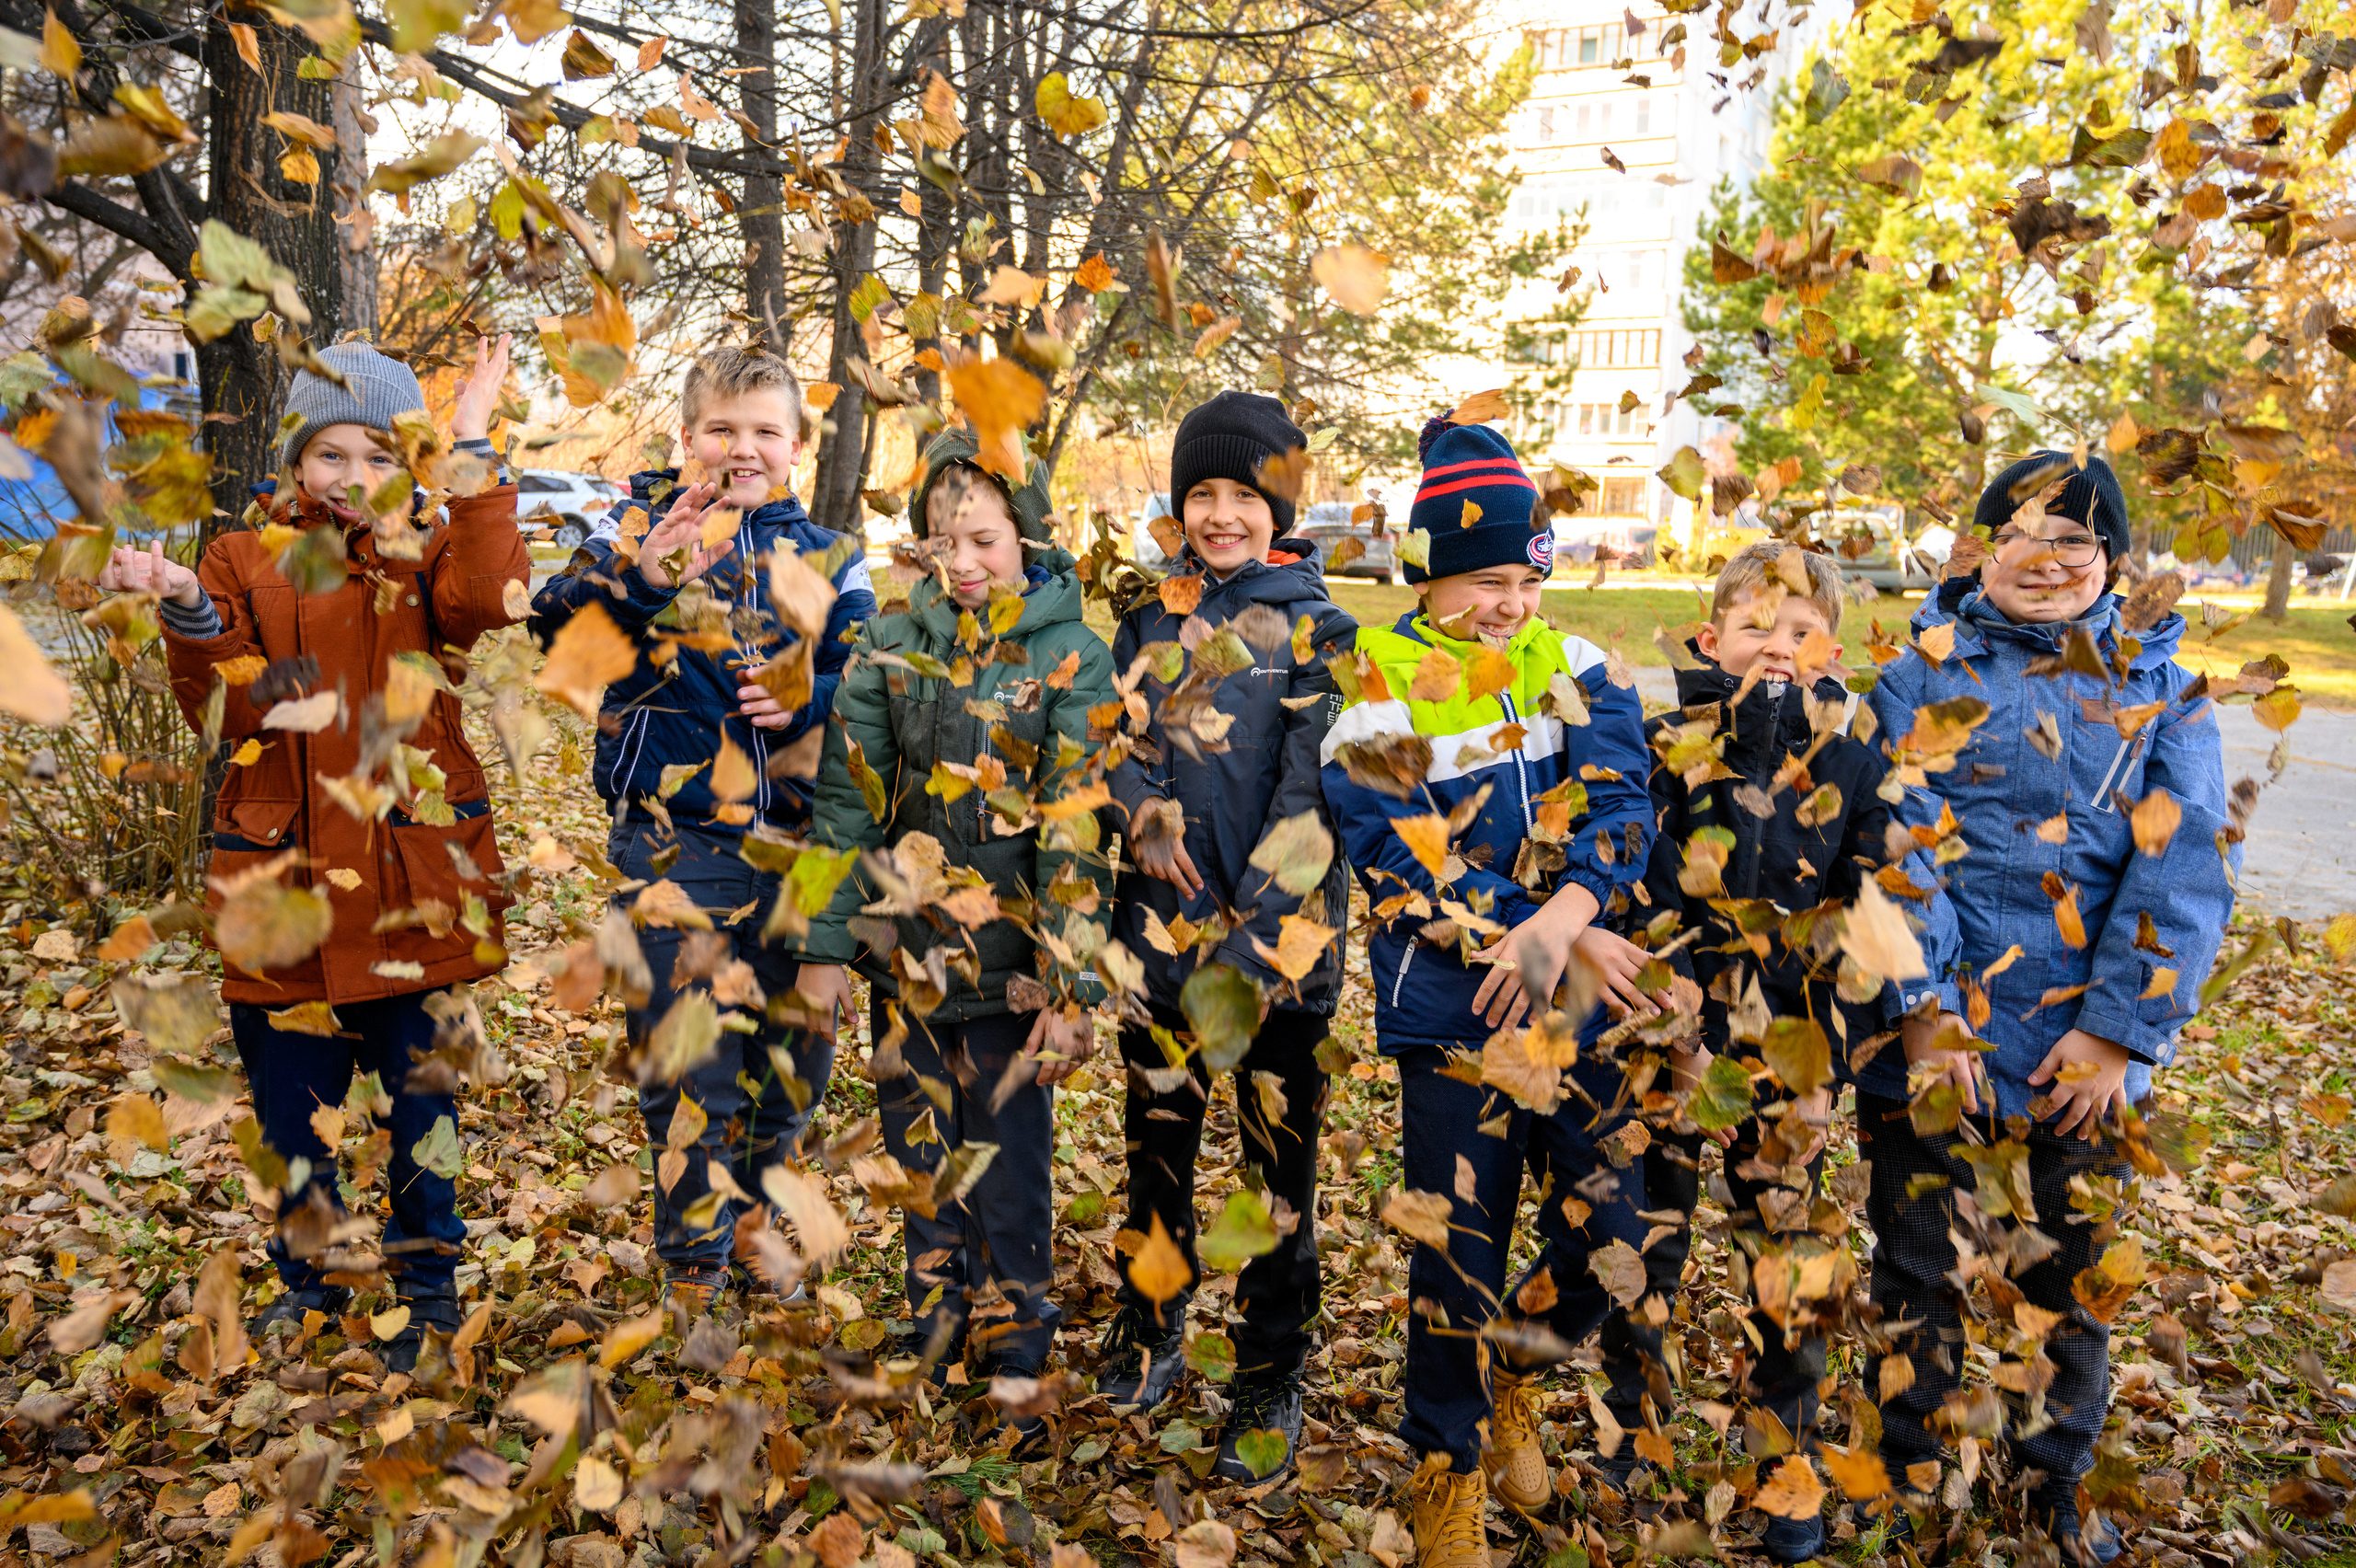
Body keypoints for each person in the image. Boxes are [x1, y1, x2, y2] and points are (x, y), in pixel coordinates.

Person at [103, 336, 525, 1373]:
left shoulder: (426, 551)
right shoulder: (242, 558)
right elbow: (226, 698)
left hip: (410, 889)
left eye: (379, 456)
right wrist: (188, 611)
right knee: (294, 1118)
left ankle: (429, 1285)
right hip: (278, 888)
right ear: (296, 462)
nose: (354, 478)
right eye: (331, 455)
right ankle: (312, 1282)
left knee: (422, 1106)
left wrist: (469, 449)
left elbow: (490, 598)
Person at [1863, 452, 2236, 1565]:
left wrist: (2118, 1032)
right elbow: (1897, 846)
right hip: (1936, 1037)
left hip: (2087, 1047)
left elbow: (2181, 871)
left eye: (2075, 539)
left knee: (2067, 1277)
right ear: (1978, 548)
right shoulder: (1918, 673)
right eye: (2019, 531)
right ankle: (1908, 1459)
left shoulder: (2165, 691)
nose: (2046, 557)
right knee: (1916, 1259)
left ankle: (2049, 1476)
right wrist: (1927, 1009)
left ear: (2110, 562)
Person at [1319, 417, 1655, 1567]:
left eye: (1523, 579)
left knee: (1618, 1229)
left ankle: (1522, 1360)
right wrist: (1523, 934)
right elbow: (1399, 856)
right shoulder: (1376, 687)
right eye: (1479, 583)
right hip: (1454, 1012)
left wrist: (1568, 920)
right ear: (1429, 575)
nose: (1507, 605)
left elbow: (1622, 805)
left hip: (1576, 998)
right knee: (1457, 1246)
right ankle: (1445, 1469)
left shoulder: (1576, 668)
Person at [1599, 542, 1938, 1562]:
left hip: (1793, 1051)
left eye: (1800, 633)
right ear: (1712, 639)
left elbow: (1878, 908)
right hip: (1670, 1038)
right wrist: (1668, 1007)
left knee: (1791, 1257)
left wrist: (1831, 1050)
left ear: (1830, 648)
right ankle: (1632, 1434)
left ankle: (1783, 1448)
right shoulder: (1669, 744)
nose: (1777, 649)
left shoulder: (1853, 763)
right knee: (1644, 1236)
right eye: (1756, 628)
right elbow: (1636, 885)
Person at [527, 345, 876, 1319]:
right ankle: (692, 1261)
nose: (742, 449)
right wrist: (642, 577)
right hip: (676, 842)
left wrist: (819, 697)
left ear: (797, 447)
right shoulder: (631, 525)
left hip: (802, 849)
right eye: (721, 429)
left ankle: (762, 1230)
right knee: (688, 1066)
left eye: (766, 431)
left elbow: (878, 685)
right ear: (686, 438)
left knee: (791, 1062)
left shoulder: (835, 557)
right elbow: (553, 635)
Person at [795, 429, 1115, 1443]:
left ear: (1023, 533)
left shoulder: (1071, 652)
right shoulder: (891, 641)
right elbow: (848, 798)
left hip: (1017, 971)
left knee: (1006, 1156)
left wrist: (1071, 987)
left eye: (982, 540)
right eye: (943, 544)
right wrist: (821, 945)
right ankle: (933, 1312)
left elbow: (1076, 828)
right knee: (921, 1146)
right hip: (912, 957)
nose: (964, 565)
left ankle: (1015, 1333)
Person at [1097, 392, 1357, 1482]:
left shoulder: (1319, 628)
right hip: (1159, 941)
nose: (1218, 515)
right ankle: (1149, 1322)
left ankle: (1268, 1365)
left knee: (1271, 1176)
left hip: (1277, 957)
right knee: (1156, 1153)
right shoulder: (1149, 616)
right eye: (1200, 493)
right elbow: (1112, 734)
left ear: (1277, 505)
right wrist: (1138, 807)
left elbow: (1314, 789)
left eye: (1241, 496)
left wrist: (1250, 939)